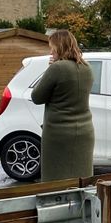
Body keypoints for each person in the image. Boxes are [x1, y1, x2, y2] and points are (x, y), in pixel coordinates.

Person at [31, 31, 94, 181]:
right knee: (81, 181)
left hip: (58, 135)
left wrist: (49, 70)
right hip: (84, 132)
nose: (50, 51)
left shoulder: (56, 69)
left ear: (59, 47)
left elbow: (37, 97)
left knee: (56, 182)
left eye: (52, 47)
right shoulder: (87, 68)